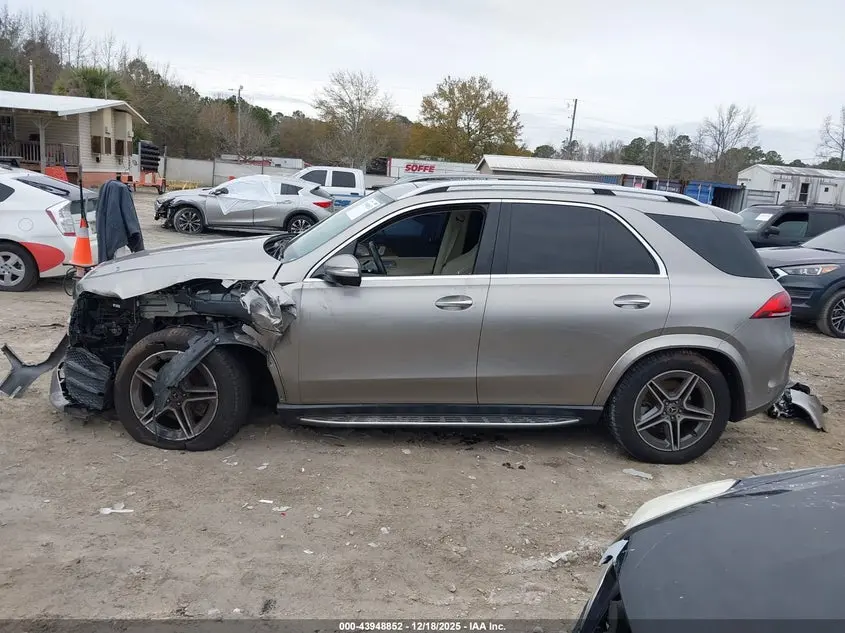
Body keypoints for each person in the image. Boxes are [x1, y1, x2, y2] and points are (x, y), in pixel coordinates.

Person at [96, 173, 145, 262]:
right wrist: (138, 244)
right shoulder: (122, 191)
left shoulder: (105, 197)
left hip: (111, 240)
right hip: (119, 240)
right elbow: (131, 221)